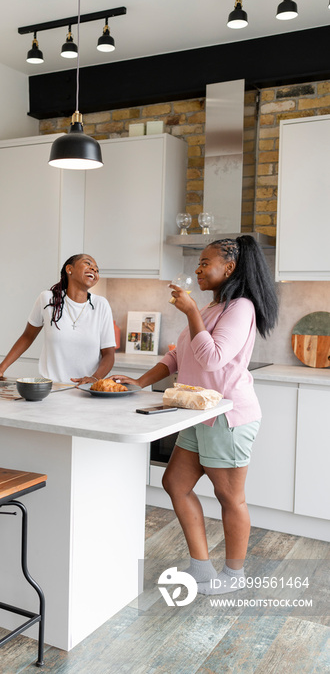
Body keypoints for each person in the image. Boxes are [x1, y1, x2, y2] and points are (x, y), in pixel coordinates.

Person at [114, 235, 278, 595]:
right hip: (196, 413)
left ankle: (234, 577)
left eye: (205, 263)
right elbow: (178, 357)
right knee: (175, 484)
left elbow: (213, 358)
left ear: (229, 268)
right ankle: (201, 569)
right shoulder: (209, 310)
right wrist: (140, 382)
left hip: (227, 416)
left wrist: (189, 312)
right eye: (199, 263)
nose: (198, 269)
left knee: (230, 498)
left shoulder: (240, 308)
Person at [0, 254, 116, 384]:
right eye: (88, 263)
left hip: (87, 391)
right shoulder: (48, 299)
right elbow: (27, 336)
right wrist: (0, 368)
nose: (94, 269)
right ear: (69, 269)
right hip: (52, 389)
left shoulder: (101, 305)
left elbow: (109, 354)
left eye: (97, 269)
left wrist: (94, 378)